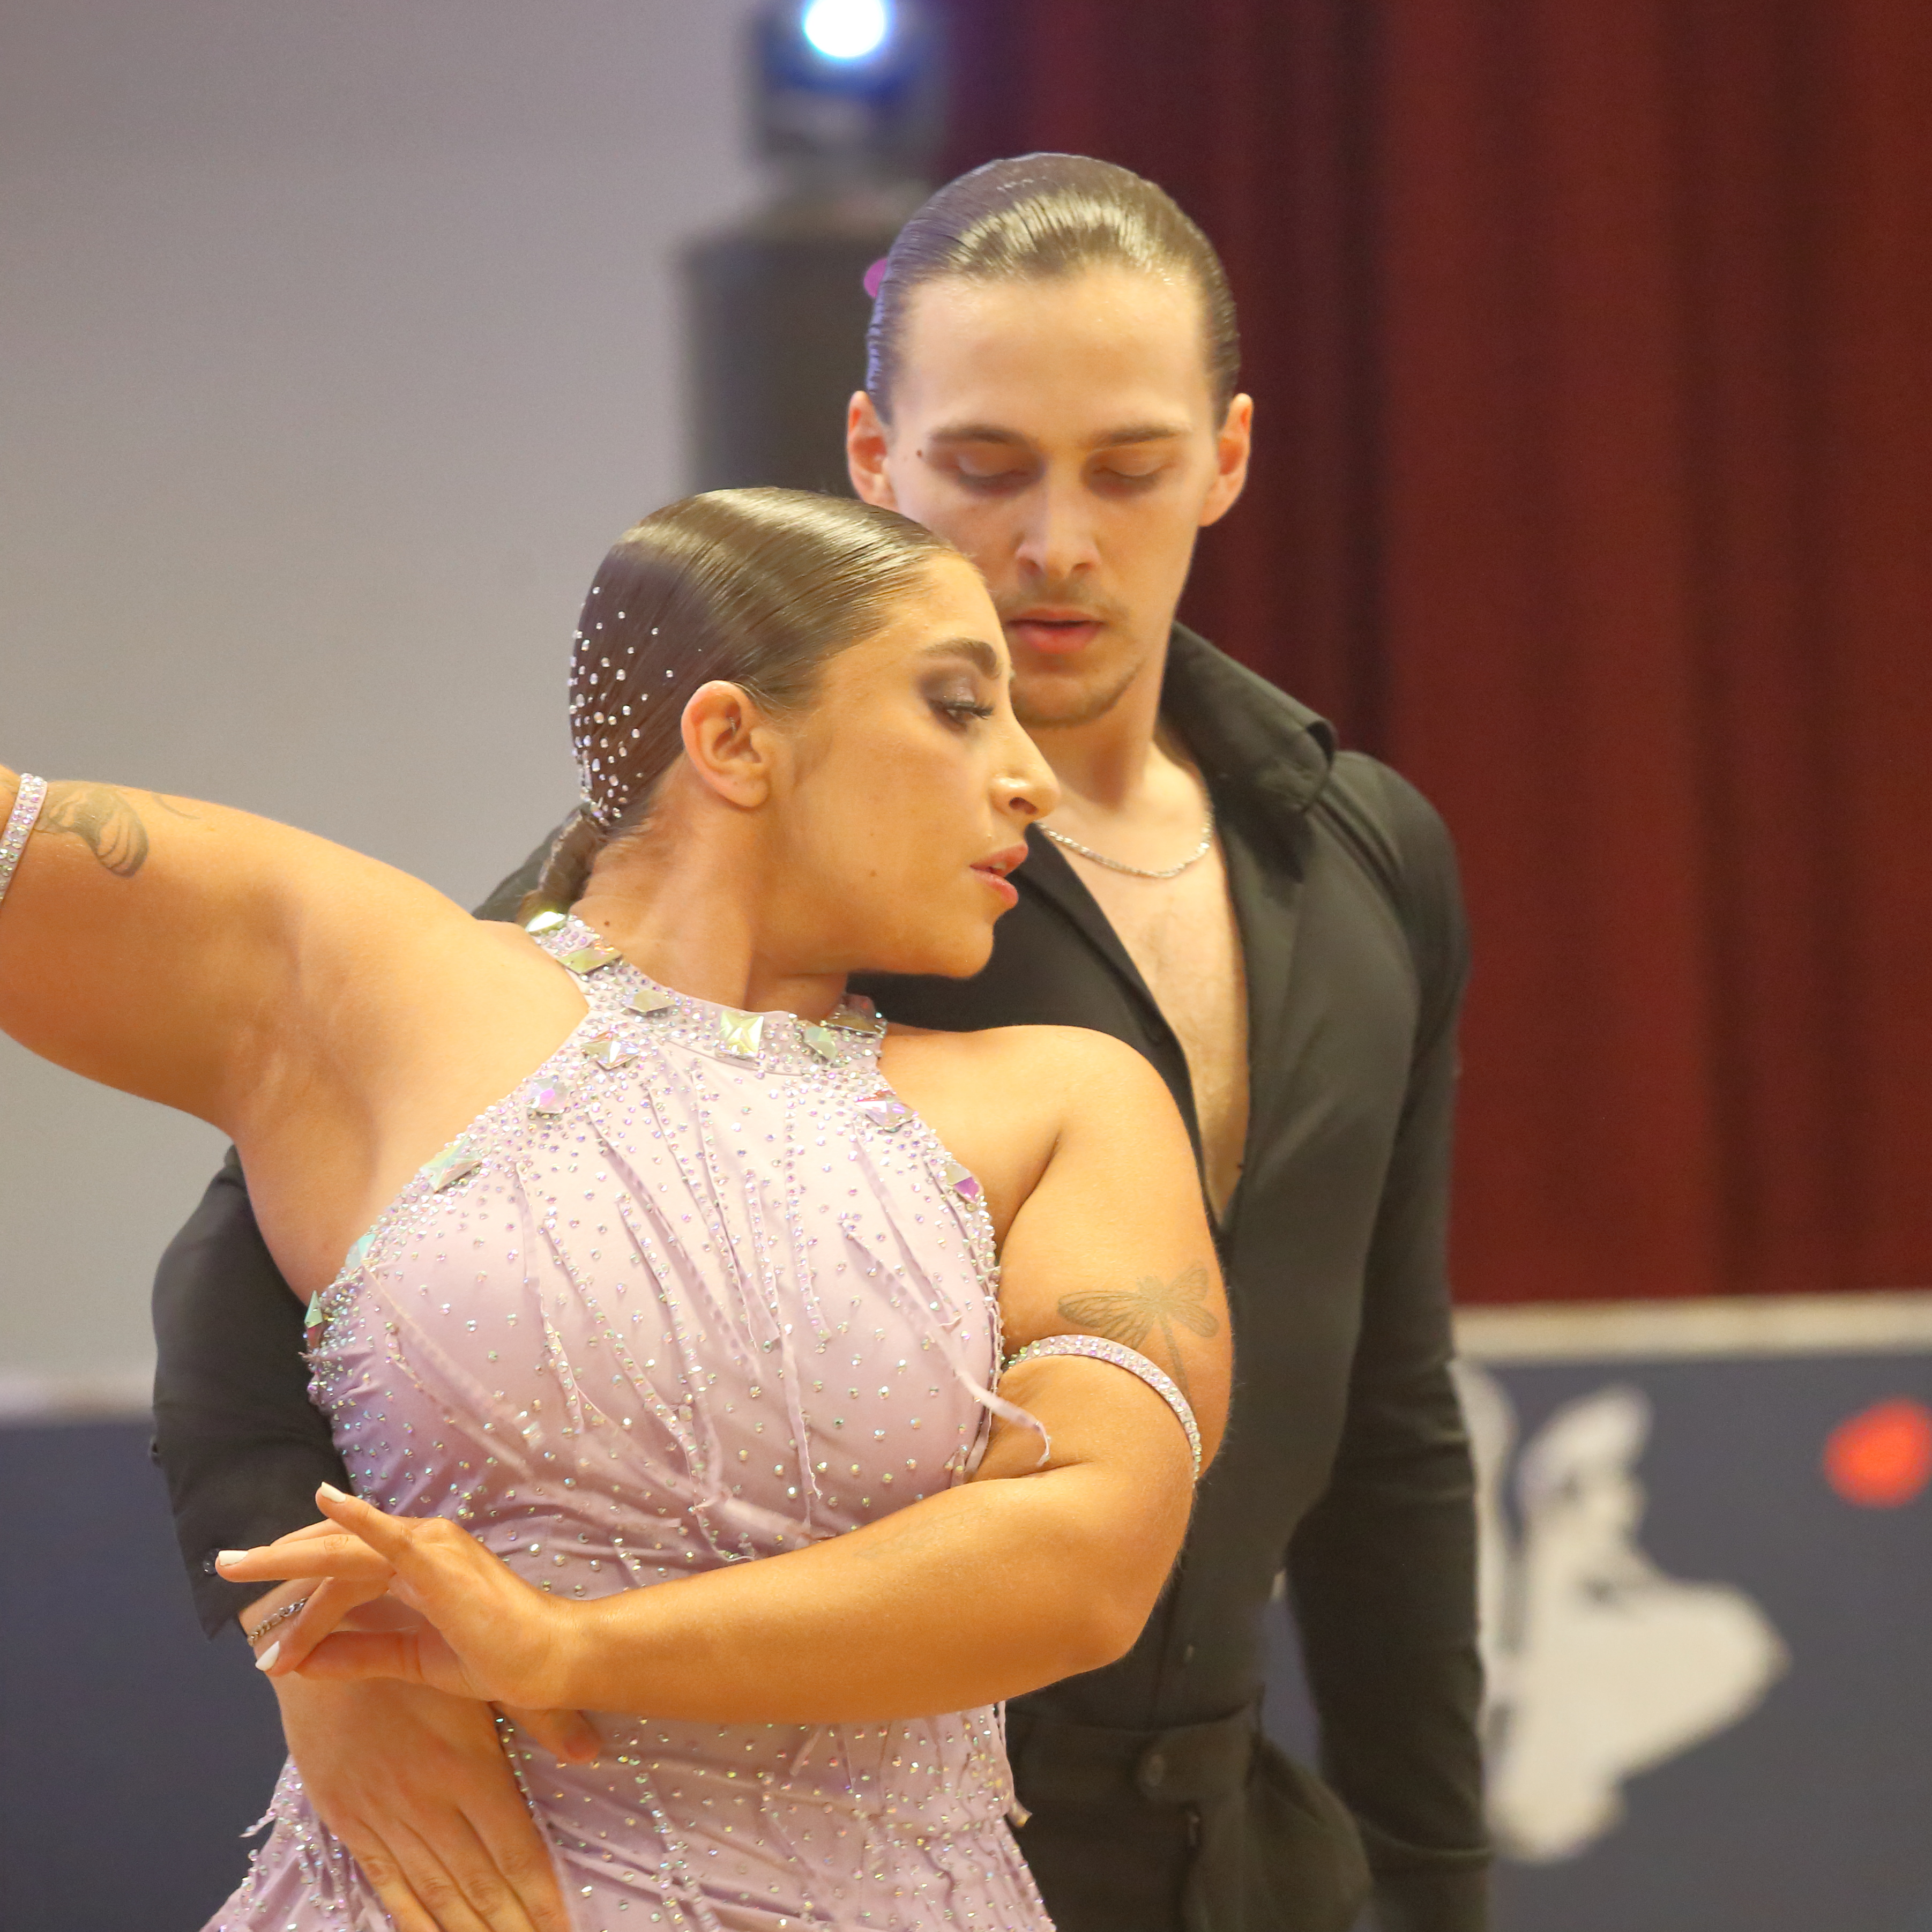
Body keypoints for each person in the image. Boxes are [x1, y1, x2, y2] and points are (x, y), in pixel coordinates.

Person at [156, 156, 1489, 1931]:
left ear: (1228, 459)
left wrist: (1439, 1878)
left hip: (1232, 1840)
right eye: (987, 468)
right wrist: (324, 1660)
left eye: (1128, 468)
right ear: (875, 456)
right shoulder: (724, 850)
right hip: (807, 1824)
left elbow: (1388, 1414)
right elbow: (244, 1294)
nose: (1058, 542)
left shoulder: (1365, 849)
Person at [0, 488, 1232, 1931]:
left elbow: (1089, 1560)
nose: (1031, 778)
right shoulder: (375, 983)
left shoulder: (1070, 1102)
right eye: (959, 706)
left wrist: (566, 1649)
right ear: (733, 741)